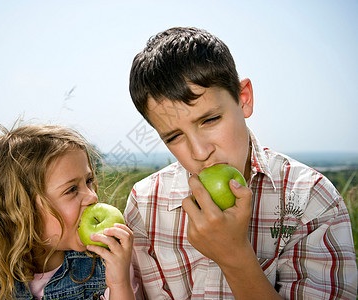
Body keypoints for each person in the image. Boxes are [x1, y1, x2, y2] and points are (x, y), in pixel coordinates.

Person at [124, 26, 357, 299]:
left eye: (210, 120)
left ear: (243, 98)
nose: (199, 152)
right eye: (174, 136)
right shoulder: (145, 203)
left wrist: (234, 255)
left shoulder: (311, 199)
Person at [0, 122, 138, 300]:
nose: (92, 197)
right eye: (71, 190)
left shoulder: (108, 263)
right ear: (22, 210)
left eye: (88, 181)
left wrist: (119, 283)